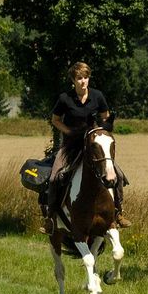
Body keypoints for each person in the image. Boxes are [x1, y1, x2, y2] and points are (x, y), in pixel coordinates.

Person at [43, 61, 131, 233]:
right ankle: (50, 218)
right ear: (73, 81)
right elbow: (55, 120)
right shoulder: (64, 98)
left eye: (85, 77)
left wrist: (100, 132)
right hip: (71, 146)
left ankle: (118, 213)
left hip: (93, 146)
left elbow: (105, 117)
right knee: (54, 177)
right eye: (79, 78)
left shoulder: (98, 96)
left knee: (118, 175)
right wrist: (69, 132)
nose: (83, 81)